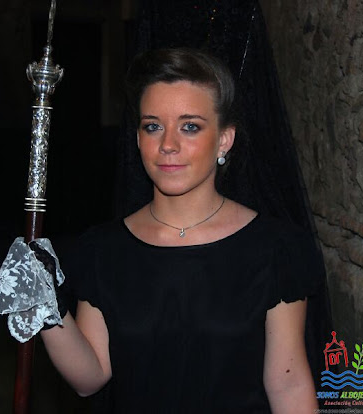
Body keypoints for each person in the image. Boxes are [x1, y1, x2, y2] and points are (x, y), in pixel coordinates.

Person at [39, 47, 323, 413]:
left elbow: (288, 384)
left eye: (190, 127)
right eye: (153, 126)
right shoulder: (102, 250)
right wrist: (44, 307)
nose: (168, 145)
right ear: (138, 139)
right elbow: (89, 379)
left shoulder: (274, 250)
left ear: (224, 140)